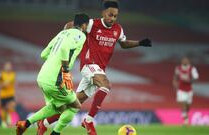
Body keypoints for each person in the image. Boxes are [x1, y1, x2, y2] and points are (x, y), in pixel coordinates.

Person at [37, 1, 152, 135]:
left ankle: (43, 123)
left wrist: (140, 43)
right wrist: (65, 36)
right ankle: (89, 120)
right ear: (103, 13)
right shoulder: (92, 24)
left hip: (99, 70)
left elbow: (124, 43)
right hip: (89, 64)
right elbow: (70, 25)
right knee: (106, 84)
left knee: (74, 104)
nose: (112, 18)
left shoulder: (118, 29)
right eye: (110, 15)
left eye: (115, 16)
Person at [16, 13, 89, 135]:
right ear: (84, 25)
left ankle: (25, 123)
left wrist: (55, 61)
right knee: (76, 105)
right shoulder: (80, 35)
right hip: (56, 79)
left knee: (57, 108)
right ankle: (56, 133)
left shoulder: (61, 34)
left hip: (42, 77)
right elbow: (64, 48)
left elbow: (43, 54)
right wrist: (65, 70)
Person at [172, 56, 199, 125]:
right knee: (183, 103)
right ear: (181, 61)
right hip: (181, 89)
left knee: (188, 105)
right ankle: (185, 119)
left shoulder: (192, 69)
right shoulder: (178, 68)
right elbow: (175, 76)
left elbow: (196, 78)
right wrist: (174, 82)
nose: (185, 62)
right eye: (183, 60)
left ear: (189, 62)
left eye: (186, 60)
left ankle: (185, 114)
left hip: (189, 90)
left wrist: (190, 80)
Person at [0, 61, 16, 128]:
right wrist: (2, 84)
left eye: (9, 66)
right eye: (7, 66)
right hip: (3, 95)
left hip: (10, 94)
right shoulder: (1, 74)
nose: (8, 67)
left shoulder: (13, 74)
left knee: (10, 107)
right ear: (5, 67)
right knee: (3, 109)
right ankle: (4, 122)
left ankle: (9, 122)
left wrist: (2, 84)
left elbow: (8, 82)